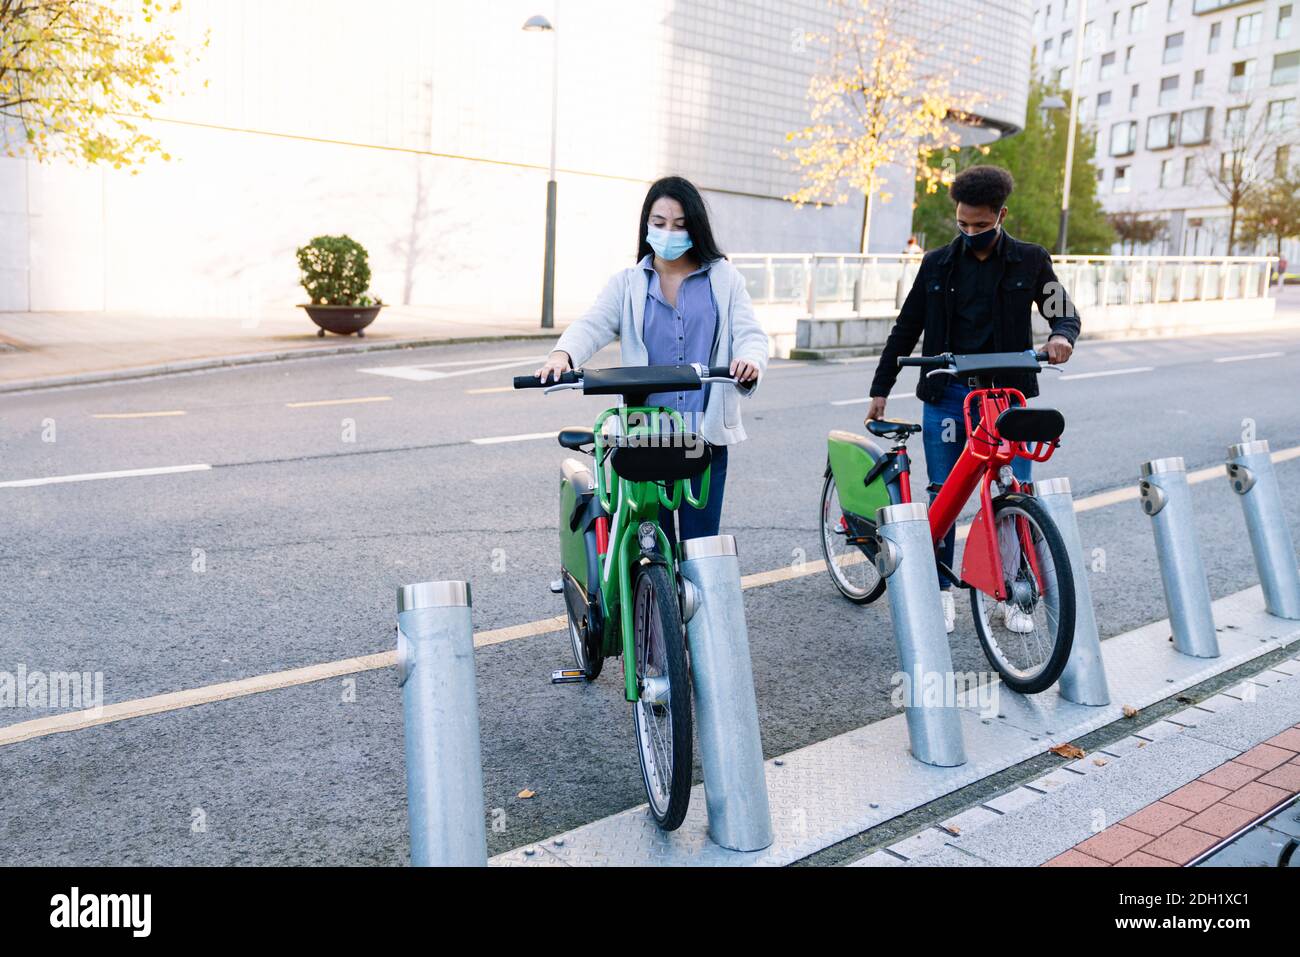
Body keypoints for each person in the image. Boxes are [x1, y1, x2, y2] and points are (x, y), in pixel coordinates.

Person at [866, 165, 1080, 634]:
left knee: (1013, 489)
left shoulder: (1030, 260)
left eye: (981, 226)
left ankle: (1012, 590)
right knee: (943, 490)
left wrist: (1062, 337)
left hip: (1006, 396)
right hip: (947, 394)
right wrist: (880, 388)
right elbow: (906, 329)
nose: (970, 233)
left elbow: (1063, 313)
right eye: (962, 224)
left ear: (1001, 215)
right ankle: (940, 588)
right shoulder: (938, 263)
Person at [535, 175, 769, 547]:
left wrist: (749, 360)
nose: (669, 233)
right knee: (650, 546)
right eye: (659, 224)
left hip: (702, 434)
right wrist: (562, 354)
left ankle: (696, 604)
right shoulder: (629, 283)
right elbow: (593, 323)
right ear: (646, 225)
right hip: (646, 432)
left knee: (700, 550)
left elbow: (750, 334)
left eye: (680, 224)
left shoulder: (723, 278)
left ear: (696, 227)